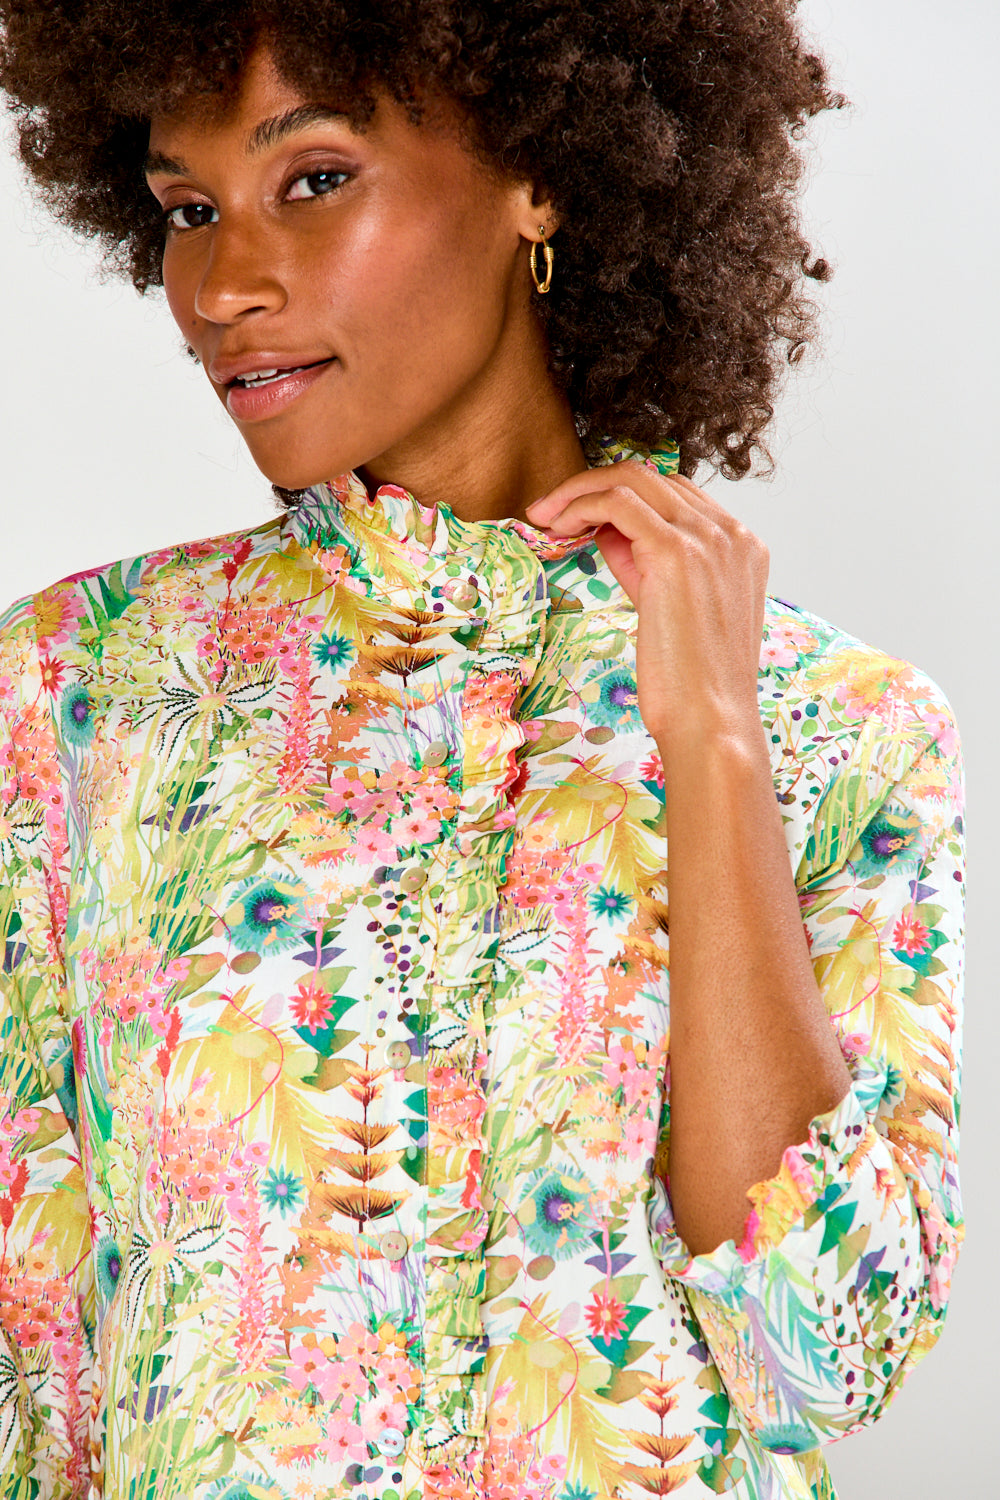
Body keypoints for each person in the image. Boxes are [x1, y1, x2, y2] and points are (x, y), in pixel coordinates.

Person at [0, 3, 965, 1498]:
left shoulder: (838, 724)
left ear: (540, 178)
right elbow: (36, 1358)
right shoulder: (82, 693)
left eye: (314, 179)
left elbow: (821, 1363)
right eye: (189, 210)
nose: (225, 285)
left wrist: (714, 746)